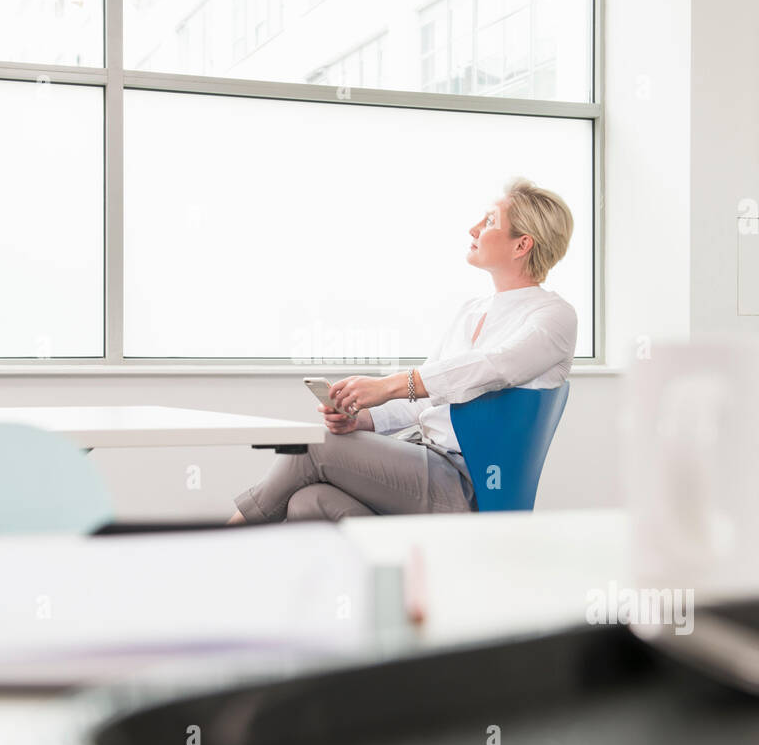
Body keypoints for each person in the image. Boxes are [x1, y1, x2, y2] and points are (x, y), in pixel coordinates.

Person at [229, 178, 578, 524]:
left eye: (488, 222)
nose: (473, 229)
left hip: (467, 484)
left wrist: (388, 386)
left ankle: (216, 547)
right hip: (422, 457)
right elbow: (429, 398)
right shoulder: (472, 310)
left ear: (522, 245)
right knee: (311, 501)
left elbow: (493, 367)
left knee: (314, 447)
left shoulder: (553, 317)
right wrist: (363, 419)